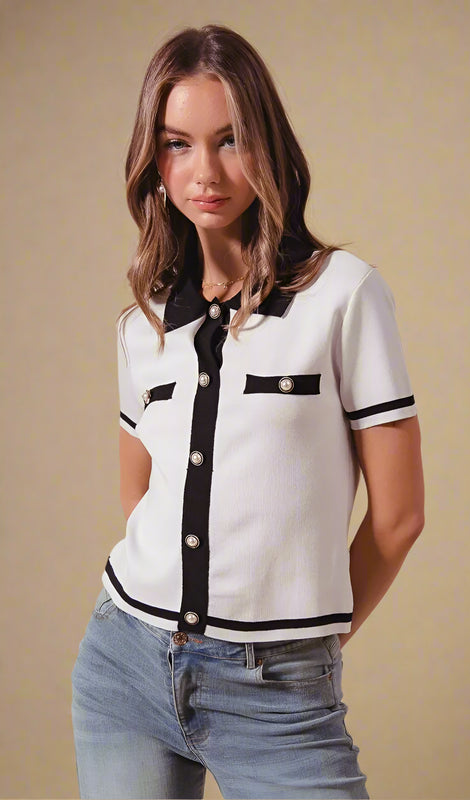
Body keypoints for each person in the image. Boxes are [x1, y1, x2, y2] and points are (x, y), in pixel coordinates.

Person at [71, 24, 424, 800]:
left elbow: (397, 518)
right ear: (153, 162)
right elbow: (143, 498)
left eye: (230, 140)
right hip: (123, 666)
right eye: (177, 143)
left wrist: (305, 647)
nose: (205, 171)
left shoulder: (343, 296)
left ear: (267, 145)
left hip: (277, 693)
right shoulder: (144, 326)